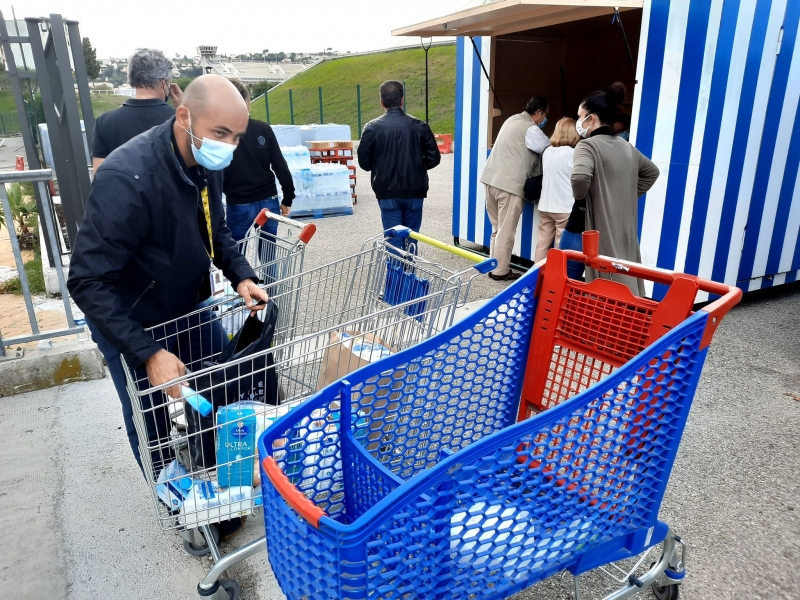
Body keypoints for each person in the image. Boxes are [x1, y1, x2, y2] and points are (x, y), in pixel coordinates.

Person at [68, 76, 268, 536]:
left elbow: (215, 230)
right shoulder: (128, 178)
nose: (229, 147)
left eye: (237, 137)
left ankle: (224, 492)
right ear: (184, 116)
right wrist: (147, 353)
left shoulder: (204, 162)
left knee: (221, 390)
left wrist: (242, 275)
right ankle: (183, 511)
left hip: (185, 305)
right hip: (130, 317)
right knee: (154, 422)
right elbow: (87, 280)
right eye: (221, 134)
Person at [568, 82, 660, 295]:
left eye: (580, 116)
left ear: (592, 118)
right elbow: (651, 172)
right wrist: (626, 195)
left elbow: (580, 177)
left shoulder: (587, 146)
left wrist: (582, 200)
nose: (578, 121)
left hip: (583, 227)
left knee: (565, 281)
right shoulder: (626, 146)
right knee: (620, 281)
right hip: (621, 227)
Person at [357, 80, 441, 252]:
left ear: (381, 102)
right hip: (415, 191)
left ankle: (396, 278)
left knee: (393, 242)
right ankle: (409, 275)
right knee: (411, 240)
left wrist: (381, 164)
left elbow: (364, 163)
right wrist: (417, 166)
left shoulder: (371, 128)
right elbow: (434, 158)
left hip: (386, 191)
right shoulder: (420, 126)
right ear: (402, 100)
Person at [480, 95, 549, 280]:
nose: (544, 120)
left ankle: (493, 266)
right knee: (506, 232)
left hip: (491, 180)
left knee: (496, 229)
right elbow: (548, 148)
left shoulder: (511, 119)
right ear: (539, 113)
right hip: (509, 187)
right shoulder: (530, 129)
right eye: (545, 116)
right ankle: (500, 272)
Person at [223, 80, 295, 242]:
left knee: (235, 256)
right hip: (268, 200)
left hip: (238, 201)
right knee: (269, 254)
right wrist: (288, 197)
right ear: (246, 101)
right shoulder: (262, 128)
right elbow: (280, 166)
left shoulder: (220, 133)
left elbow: (215, 172)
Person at [91, 48, 183, 171]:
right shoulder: (179, 121)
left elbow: (99, 174)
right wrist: (185, 108)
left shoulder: (104, 122)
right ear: (163, 83)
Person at [535, 117, 580, 264]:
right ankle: (554, 279)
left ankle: (535, 276)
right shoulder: (574, 154)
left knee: (542, 244)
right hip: (564, 206)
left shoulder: (547, 151)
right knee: (560, 247)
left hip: (545, 204)